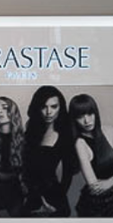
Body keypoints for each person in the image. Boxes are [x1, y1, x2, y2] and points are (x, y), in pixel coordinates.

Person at [21, 86, 75, 216]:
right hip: (31, 197)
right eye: (44, 107)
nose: (48, 112)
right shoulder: (31, 128)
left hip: (53, 200)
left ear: (60, 107)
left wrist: (56, 203)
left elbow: (68, 174)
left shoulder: (65, 133)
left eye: (54, 106)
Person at [70, 92, 113, 217]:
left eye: (90, 113)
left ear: (96, 113)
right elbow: (94, 187)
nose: (86, 120)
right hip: (99, 203)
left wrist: (110, 181)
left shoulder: (111, 131)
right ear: (74, 119)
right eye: (80, 116)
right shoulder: (80, 143)